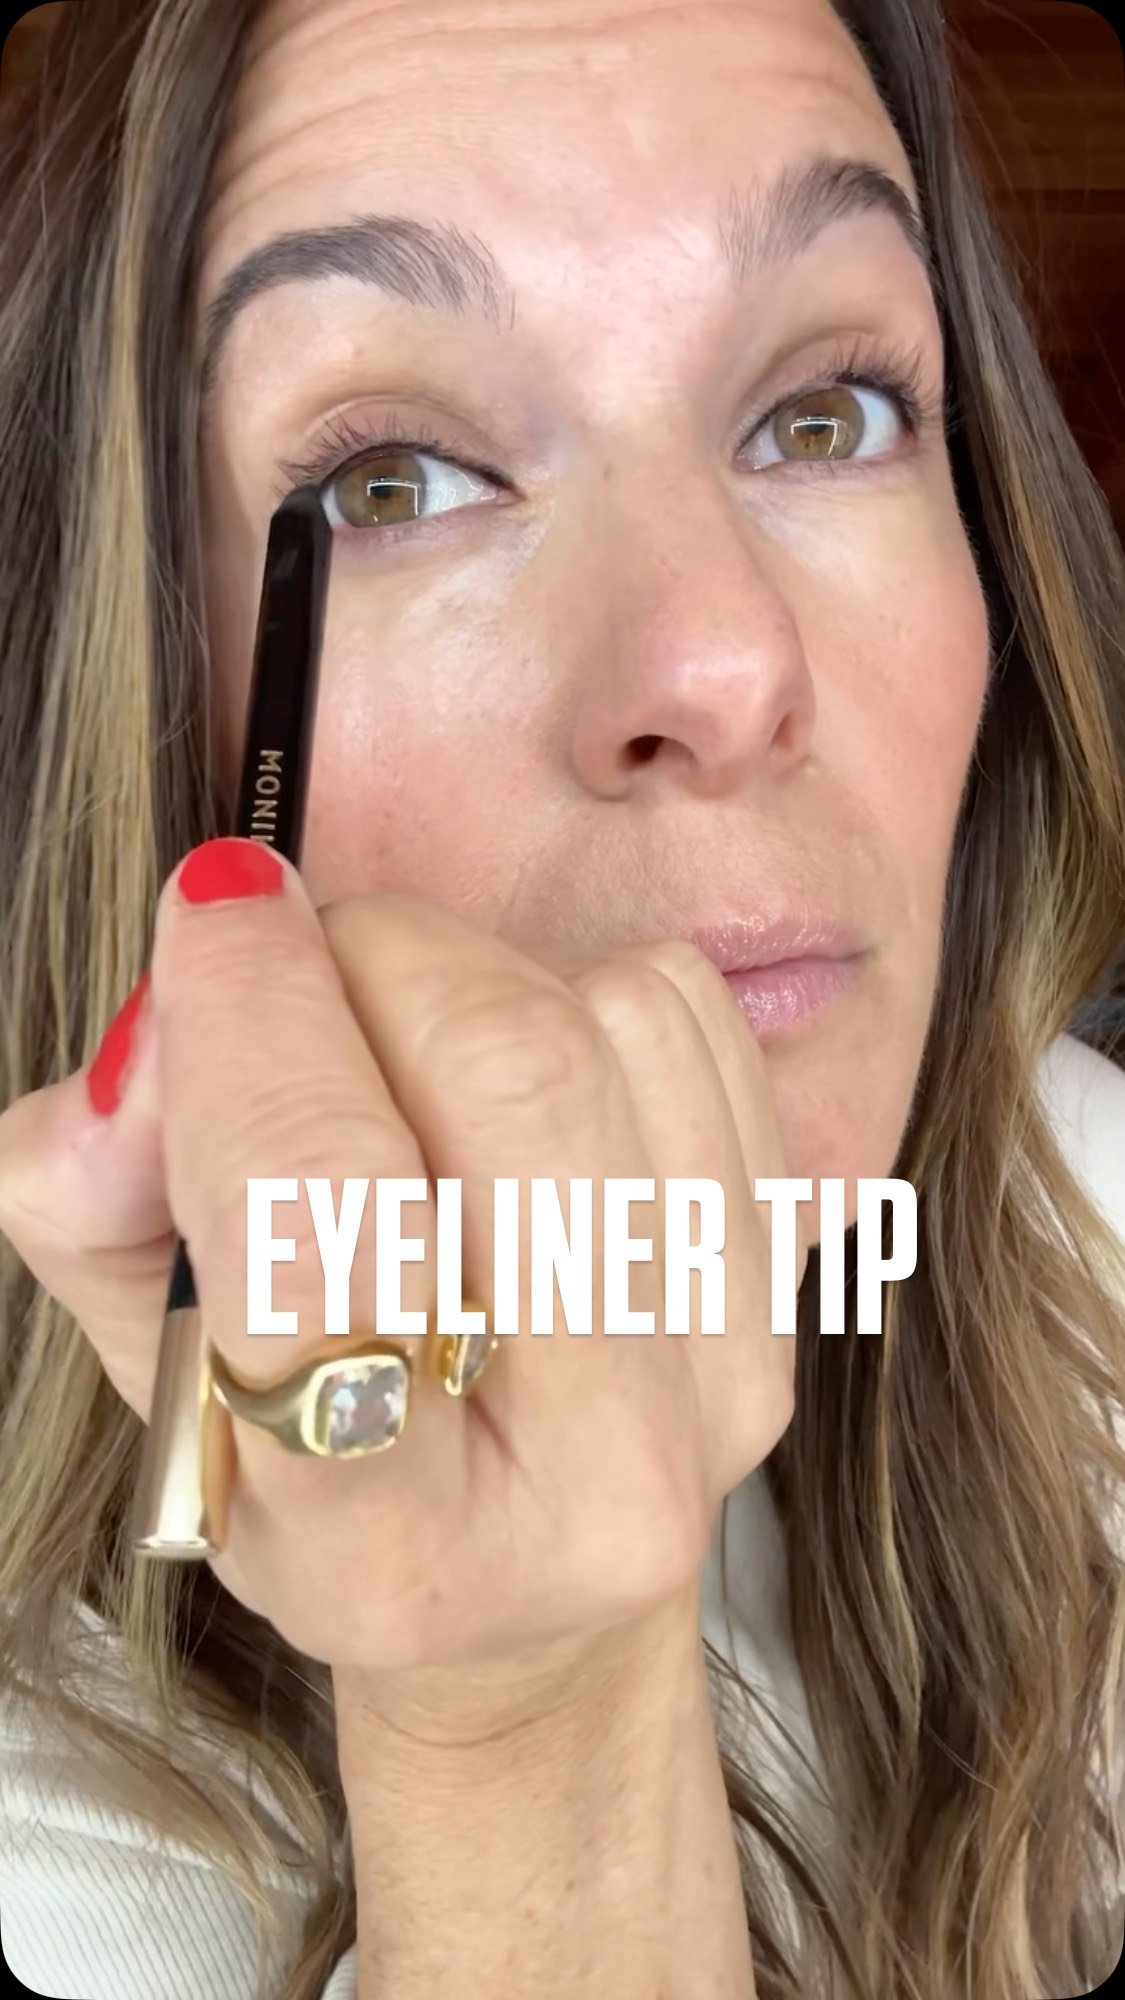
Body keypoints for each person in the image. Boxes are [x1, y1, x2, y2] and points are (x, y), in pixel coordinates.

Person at [0, 1, 1123, 1995]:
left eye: (824, 415)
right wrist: (515, 1729)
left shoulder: (1091, 1198)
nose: (721, 666)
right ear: (141, 716)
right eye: (389, 479)